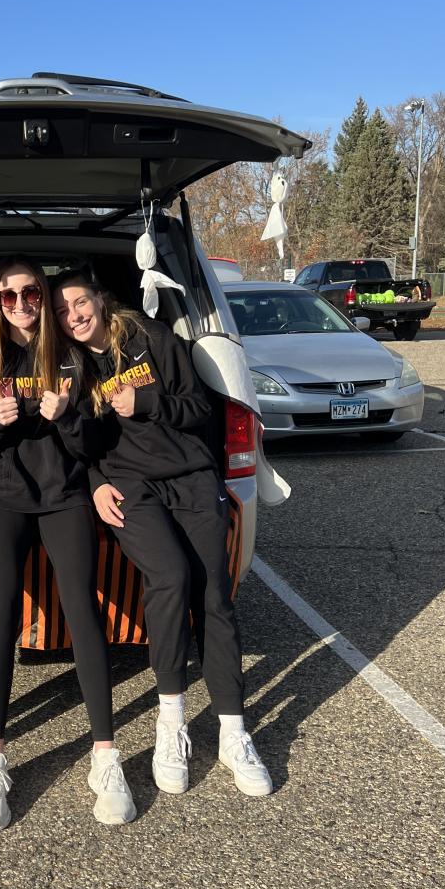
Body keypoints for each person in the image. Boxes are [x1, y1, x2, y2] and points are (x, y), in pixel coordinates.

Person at [52, 267, 273, 798]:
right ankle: (171, 721)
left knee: (213, 595)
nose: (73, 316)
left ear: (100, 300)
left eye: (79, 302)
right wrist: (96, 482)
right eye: (61, 311)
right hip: (132, 487)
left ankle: (233, 732)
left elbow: (200, 409)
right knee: (170, 577)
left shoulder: (152, 339)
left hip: (192, 478)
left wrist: (147, 402)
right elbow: (80, 444)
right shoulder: (71, 367)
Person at [0, 258, 135, 831]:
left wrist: (65, 419)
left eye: (31, 293)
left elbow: (94, 441)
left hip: (62, 492)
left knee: (82, 605)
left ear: (43, 295)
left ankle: (105, 755)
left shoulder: (69, 357)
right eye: (8, 296)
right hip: (0, 494)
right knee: (2, 609)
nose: (20, 305)